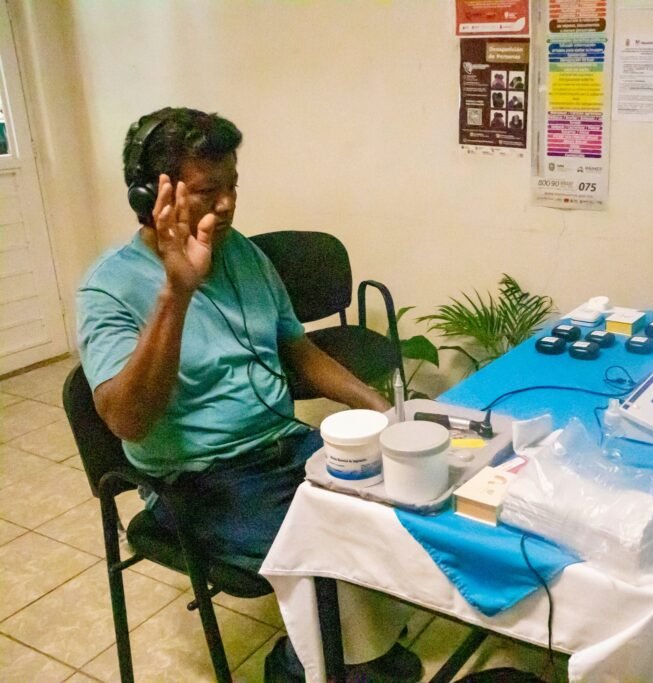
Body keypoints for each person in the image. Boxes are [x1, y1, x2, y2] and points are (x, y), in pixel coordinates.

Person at [77, 107, 420, 682]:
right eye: (208, 191)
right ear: (150, 195)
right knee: (334, 543)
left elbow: (297, 349)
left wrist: (379, 408)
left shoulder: (243, 254)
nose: (228, 204)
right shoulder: (108, 287)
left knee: (398, 498)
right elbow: (127, 421)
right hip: (199, 480)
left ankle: (354, 645)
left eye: (232, 186)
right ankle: (299, 667)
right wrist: (176, 294)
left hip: (283, 445)